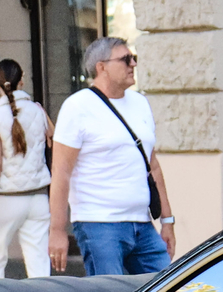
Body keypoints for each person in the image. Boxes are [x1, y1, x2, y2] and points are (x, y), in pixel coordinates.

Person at [50, 36, 175, 276]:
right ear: (101, 67)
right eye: (126, 59)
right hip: (98, 224)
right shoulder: (77, 107)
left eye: (134, 58)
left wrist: (167, 221)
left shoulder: (140, 103)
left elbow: (153, 166)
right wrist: (57, 230)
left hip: (142, 223)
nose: (133, 65)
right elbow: (61, 172)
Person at [0, 60, 52, 278]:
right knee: (39, 264)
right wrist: (40, 110)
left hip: (6, 199)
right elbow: (53, 136)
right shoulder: (37, 110)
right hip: (38, 197)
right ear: (22, 80)